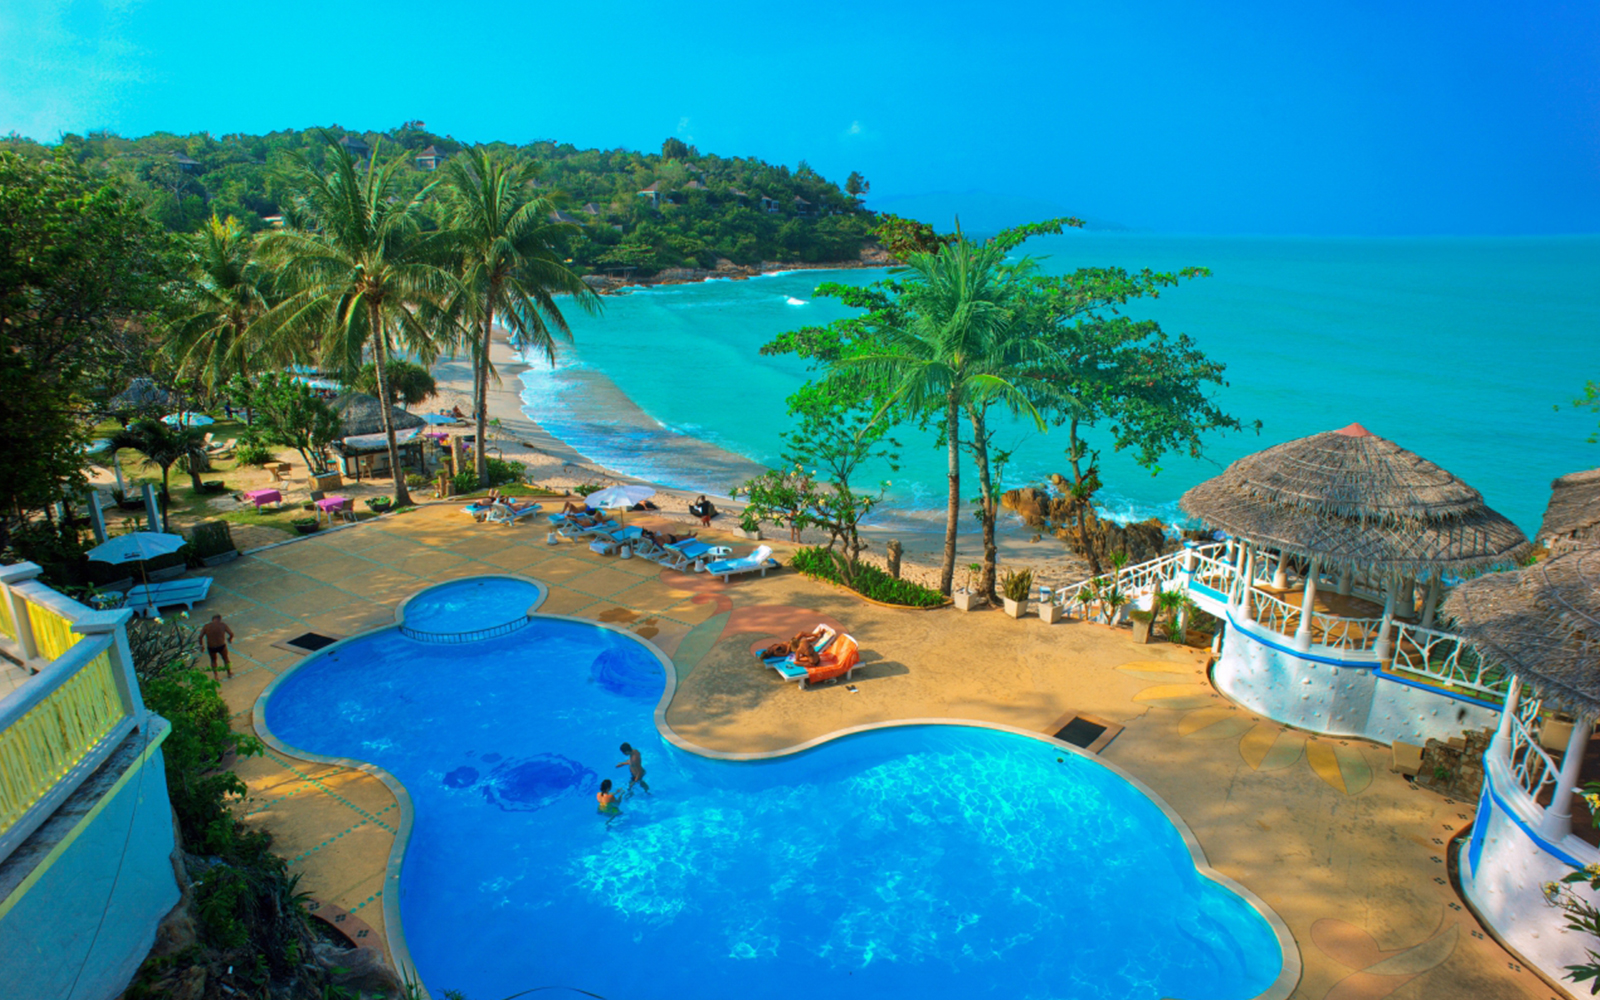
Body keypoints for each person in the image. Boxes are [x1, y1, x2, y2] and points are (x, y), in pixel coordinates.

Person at [198, 614, 235, 678]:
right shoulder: (223, 625)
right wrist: (230, 639)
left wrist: (202, 646)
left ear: (212, 619)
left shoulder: (206, 626)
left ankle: (216, 676)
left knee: (213, 660)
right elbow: (231, 634)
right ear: (220, 619)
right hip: (221, 645)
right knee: (226, 659)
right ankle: (229, 673)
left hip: (211, 647)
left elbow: (200, 637)